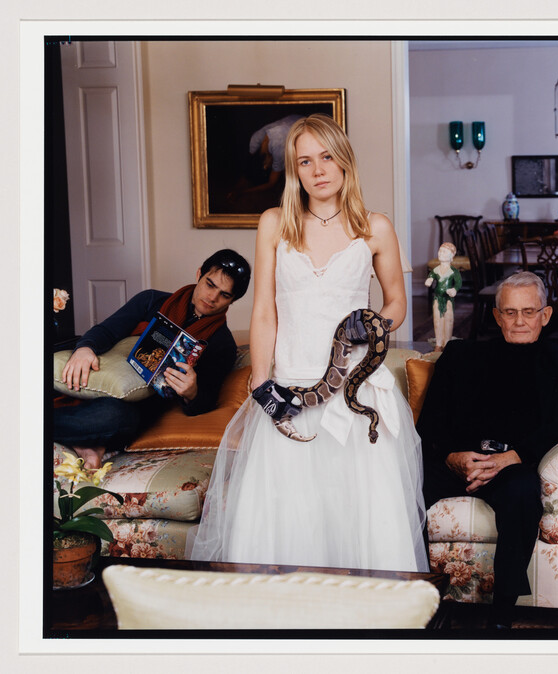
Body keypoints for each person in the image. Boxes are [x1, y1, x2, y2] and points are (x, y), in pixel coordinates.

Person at [189, 114, 428, 573]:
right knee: (290, 519)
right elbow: (263, 311)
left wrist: (374, 324)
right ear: (293, 170)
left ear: (344, 161)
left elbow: (397, 301)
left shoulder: (374, 227)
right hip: (290, 390)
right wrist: (262, 385)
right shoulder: (275, 223)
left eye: (326, 157)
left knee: (359, 518)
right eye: (304, 161)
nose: (318, 170)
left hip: (357, 392)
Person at [416, 271, 558, 626]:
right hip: (455, 460)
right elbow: (430, 421)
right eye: (509, 312)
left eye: (528, 311)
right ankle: (410, 600)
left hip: (510, 463)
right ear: (496, 315)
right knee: (403, 485)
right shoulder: (461, 354)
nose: (519, 321)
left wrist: (510, 458)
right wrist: (451, 456)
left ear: (545, 315)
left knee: (523, 491)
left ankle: (502, 614)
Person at [54, 249, 252, 469]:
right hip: (102, 377)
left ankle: (42, 424)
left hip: (137, 408)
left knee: (116, 418)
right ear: (198, 275)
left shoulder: (222, 344)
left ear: (233, 300)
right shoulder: (151, 301)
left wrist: (192, 393)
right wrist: (85, 348)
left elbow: (206, 401)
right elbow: (107, 331)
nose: (212, 297)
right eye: (210, 284)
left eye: (225, 295)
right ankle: (87, 440)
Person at [425, 242, 462, 351]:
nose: (441, 253)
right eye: (440, 251)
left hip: (448, 299)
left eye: (444, 252)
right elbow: (431, 276)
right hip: (437, 298)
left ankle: (447, 342)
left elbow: (458, 283)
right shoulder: (435, 270)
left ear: (452, 256)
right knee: (437, 320)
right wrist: (430, 279)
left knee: (448, 320)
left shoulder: (453, 271)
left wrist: (454, 290)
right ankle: (439, 342)